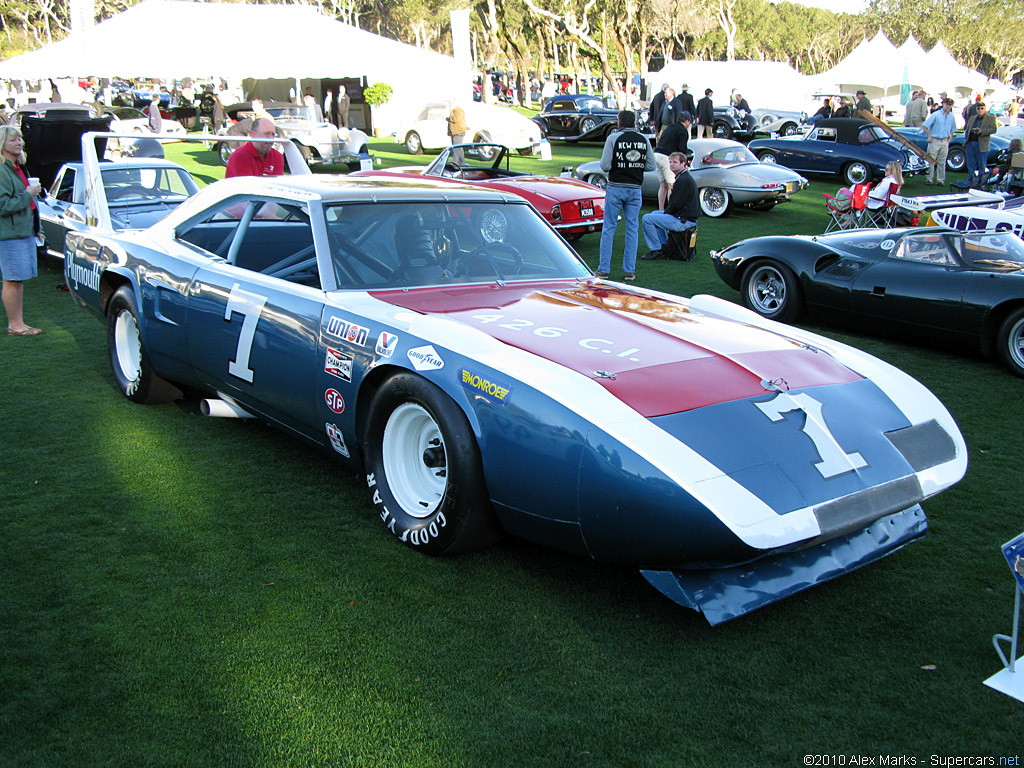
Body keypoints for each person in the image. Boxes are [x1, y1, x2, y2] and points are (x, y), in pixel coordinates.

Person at [597, 110, 655, 281]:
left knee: (609, 228)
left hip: (615, 187)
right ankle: (629, 270)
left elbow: (604, 165)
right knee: (632, 229)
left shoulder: (613, 138)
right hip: (635, 188)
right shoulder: (644, 139)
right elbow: (651, 165)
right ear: (635, 123)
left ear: (619, 123)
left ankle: (603, 269)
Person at [0, 125, 43, 336]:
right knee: (12, 278)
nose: (18, 143)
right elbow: (3, 206)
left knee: (18, 279)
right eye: (12, 140)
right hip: (9, 234)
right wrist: (28, 193)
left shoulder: (18, 167)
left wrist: (37, 228)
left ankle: (18, 323)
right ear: (2, 145)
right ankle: (14, 325)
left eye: (19, 140)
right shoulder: (2, 170)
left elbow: (31, 204)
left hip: (23, 232)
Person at [640, 152, 699, 261]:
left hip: (684, 220)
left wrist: (667, 212)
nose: (671, 164)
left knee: (647, 219)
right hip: (684, 217)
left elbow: (675, 204)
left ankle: (657, 249)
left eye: (675, 162)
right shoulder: (683, 177)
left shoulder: (683, 180)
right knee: (654, 214)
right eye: (670, 162)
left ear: (683, 164)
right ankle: (664, 246)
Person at [652, 111, 691, 211]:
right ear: (687, 121)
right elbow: (682, 149)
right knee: (671, 185)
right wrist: (684, 163)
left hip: (656, 155)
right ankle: (672, 210)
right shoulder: (683, 131)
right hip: (666, 157)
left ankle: (661, 210)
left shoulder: (669, 128)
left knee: (663, 186)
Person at [922, 97, 957, 186]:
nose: (948, 106)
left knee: (942, 161)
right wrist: (929, 136)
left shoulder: (951, 116)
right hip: (935, 140)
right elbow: (925, 126)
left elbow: (953, 129)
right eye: (947, 104)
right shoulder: (936, 114)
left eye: (950, 104)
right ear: (943, 104)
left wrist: (949, 139)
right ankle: (929, 179)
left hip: (945, 140)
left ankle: (940, 180)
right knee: (931, 160)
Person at [963, 101, 997, 188]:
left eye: (982, 108)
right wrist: (966, 140)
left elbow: (993, 129)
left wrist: (982, 131)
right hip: (971, 143)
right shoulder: (972, 117)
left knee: (982, 164)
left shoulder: (990, 118)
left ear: (985, 109)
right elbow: (967, 129)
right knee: (971, 164)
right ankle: (971, 181)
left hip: (981, 144)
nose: (980, 110)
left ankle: (982, 183)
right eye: (978, 108)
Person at [447, 99, 467, 164]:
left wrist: (451, 112)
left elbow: (456, 119)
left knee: (456, 148)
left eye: (451, 104)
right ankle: (462, 162)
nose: (450, 106)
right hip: (454, 132)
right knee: (459, 148)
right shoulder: (453, 111)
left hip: (459, 132)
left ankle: (455, 162)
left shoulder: (458, 110)